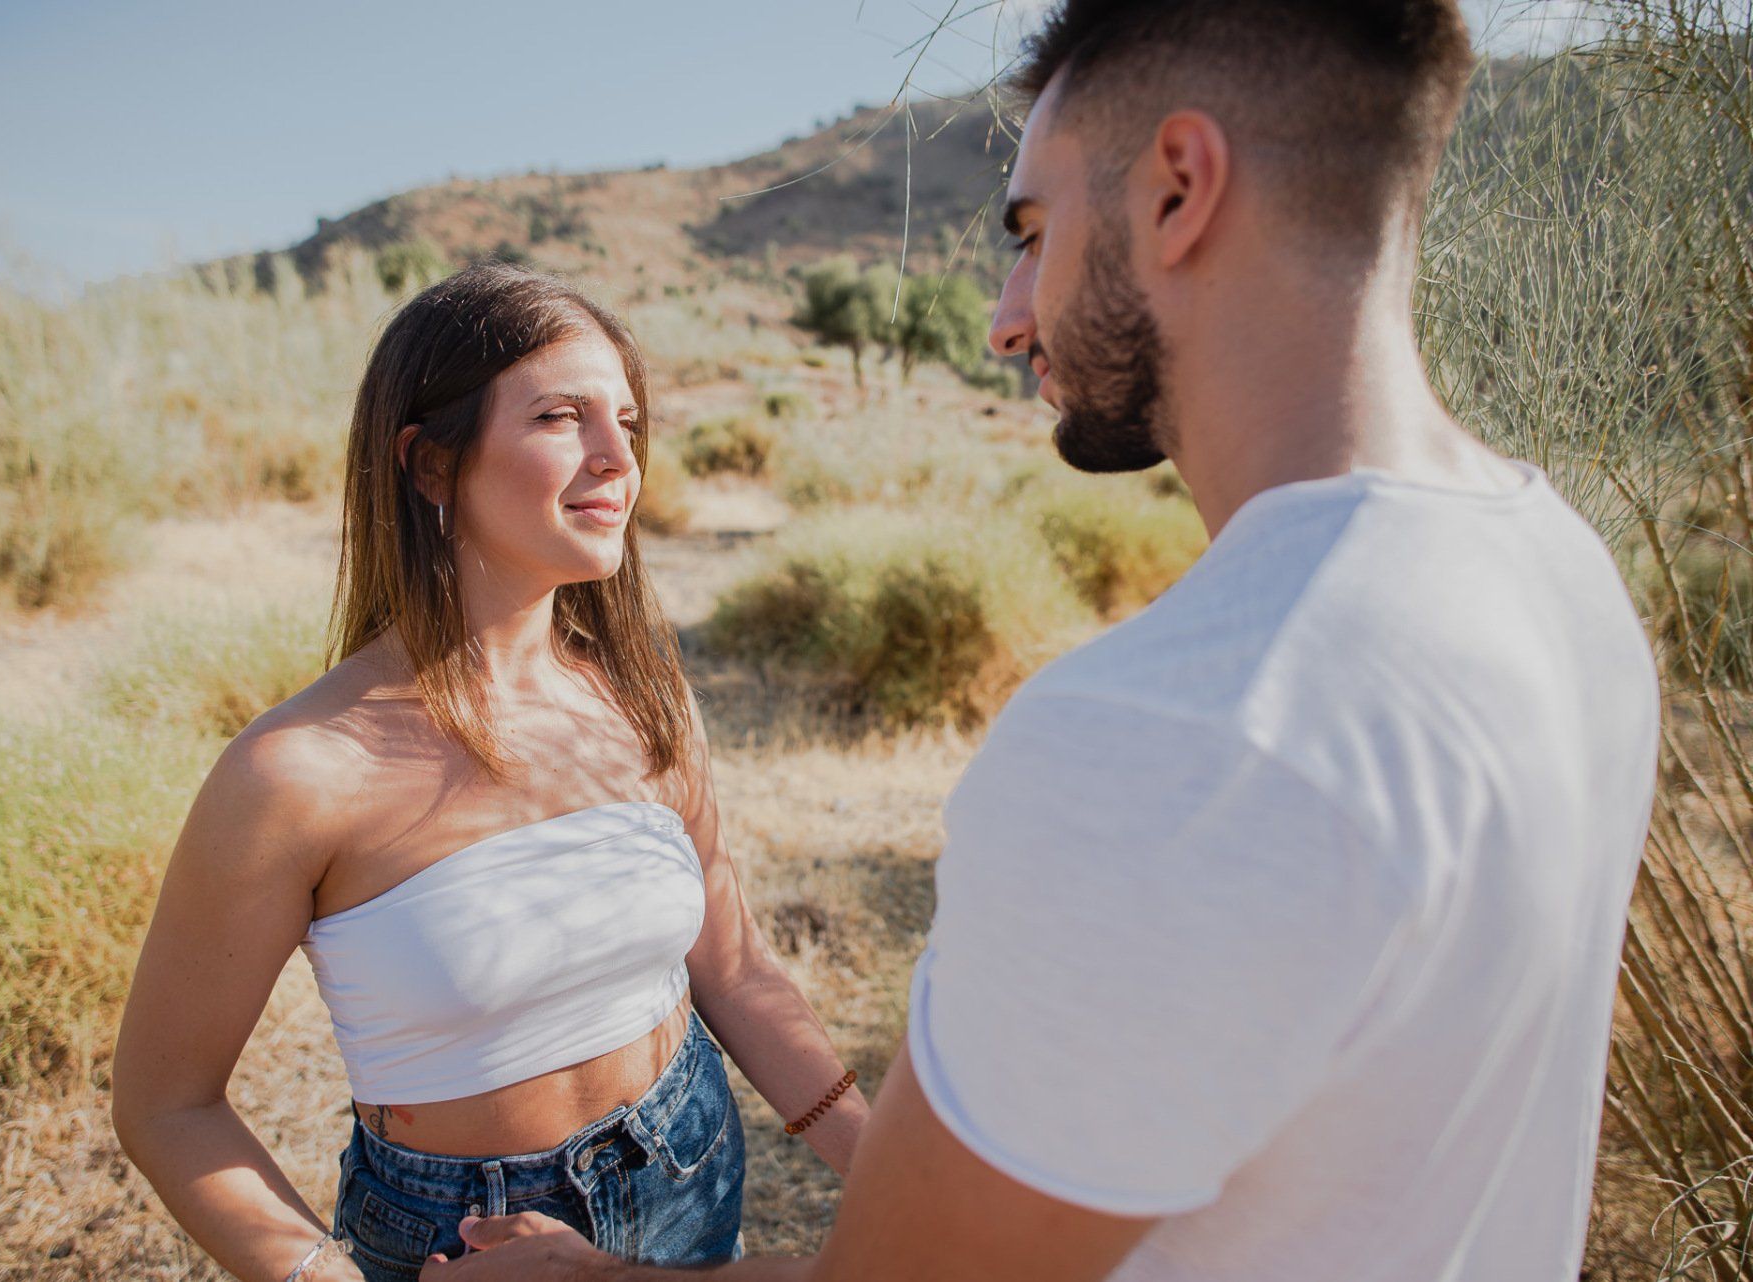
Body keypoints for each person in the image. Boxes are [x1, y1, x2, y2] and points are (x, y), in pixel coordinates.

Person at [430, 2, 1661, 1279]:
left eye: (1032, 235)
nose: (1008, 319)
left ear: (1180, 189)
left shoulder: (1174, 736)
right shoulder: (1558, 567)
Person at [110, 264, 869, 1282]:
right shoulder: (295, 775)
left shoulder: (646, 694)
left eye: (628, 421)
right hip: (454, 1236)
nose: (618, 458)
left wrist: (871, 1162)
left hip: (689, 1165)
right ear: (428, 465)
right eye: (561, 416)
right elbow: (167, 1105)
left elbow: (732, 967)